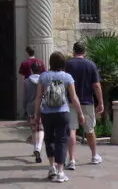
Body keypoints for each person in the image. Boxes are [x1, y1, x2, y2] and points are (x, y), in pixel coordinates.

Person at [34, 51, 85, 184]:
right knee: (61, 140)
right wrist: (80, 113)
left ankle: (52, 167)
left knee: (49, 139)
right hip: (63, 112)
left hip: (47, 113)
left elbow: (39, 97)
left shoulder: (43, 77)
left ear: (50, 63)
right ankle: (61, 172)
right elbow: (74, 97)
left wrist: (36, 114)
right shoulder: (67, 77)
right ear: (63, 63)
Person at [64, 41, 104, 169]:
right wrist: (101, 102)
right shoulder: (91, 65)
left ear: (73, 51)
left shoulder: (67, 64)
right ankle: (94, 155)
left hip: (70, 101)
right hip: (87, 101)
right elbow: (96, 85)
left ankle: (72, 160)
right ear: (84, 51)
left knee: (72, 130)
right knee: (90, 130)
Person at [23, 61, 45, 163]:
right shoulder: (43, 80)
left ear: (31, 70)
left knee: (33, 128)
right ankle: (38, 147)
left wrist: (24, 108)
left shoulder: (26, 81)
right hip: (42, 105)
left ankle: (35, 148)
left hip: (31, 106)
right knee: (41, 128)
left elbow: (25, 97)